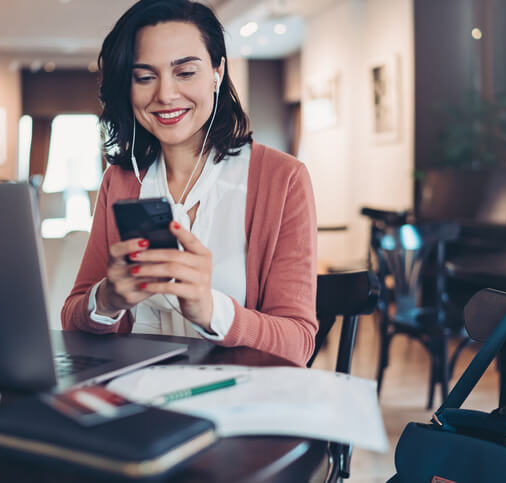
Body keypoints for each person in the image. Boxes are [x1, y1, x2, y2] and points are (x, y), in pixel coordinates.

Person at [61, 0, 318, 366]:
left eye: (185, 72)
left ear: (217, 72)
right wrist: (107, 299)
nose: (165, 94)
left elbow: (298, 345)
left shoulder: (283, 179)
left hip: (237, 404)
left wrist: (211, 309)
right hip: (138, 395)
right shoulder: (118, 181)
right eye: (145, 77)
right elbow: (72, 316)